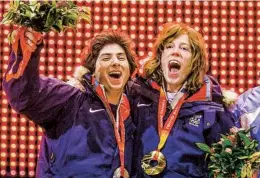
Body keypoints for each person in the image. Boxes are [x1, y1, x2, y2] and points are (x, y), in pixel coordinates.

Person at [3, 28, 137, 177]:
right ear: (92, 70)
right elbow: (23, 95)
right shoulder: (70, 98)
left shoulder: (135, 111)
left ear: (130, 69)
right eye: (106, 58)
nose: (115, 62)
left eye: (121, 57)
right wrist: (26, 53)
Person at [128, 22, 236, 177]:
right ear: (161, 55)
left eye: (184, 48)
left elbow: (226, 164)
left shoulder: (213, 106)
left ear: (194, 61)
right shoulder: (136, 94)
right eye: (170, 46)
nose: (175, 52)